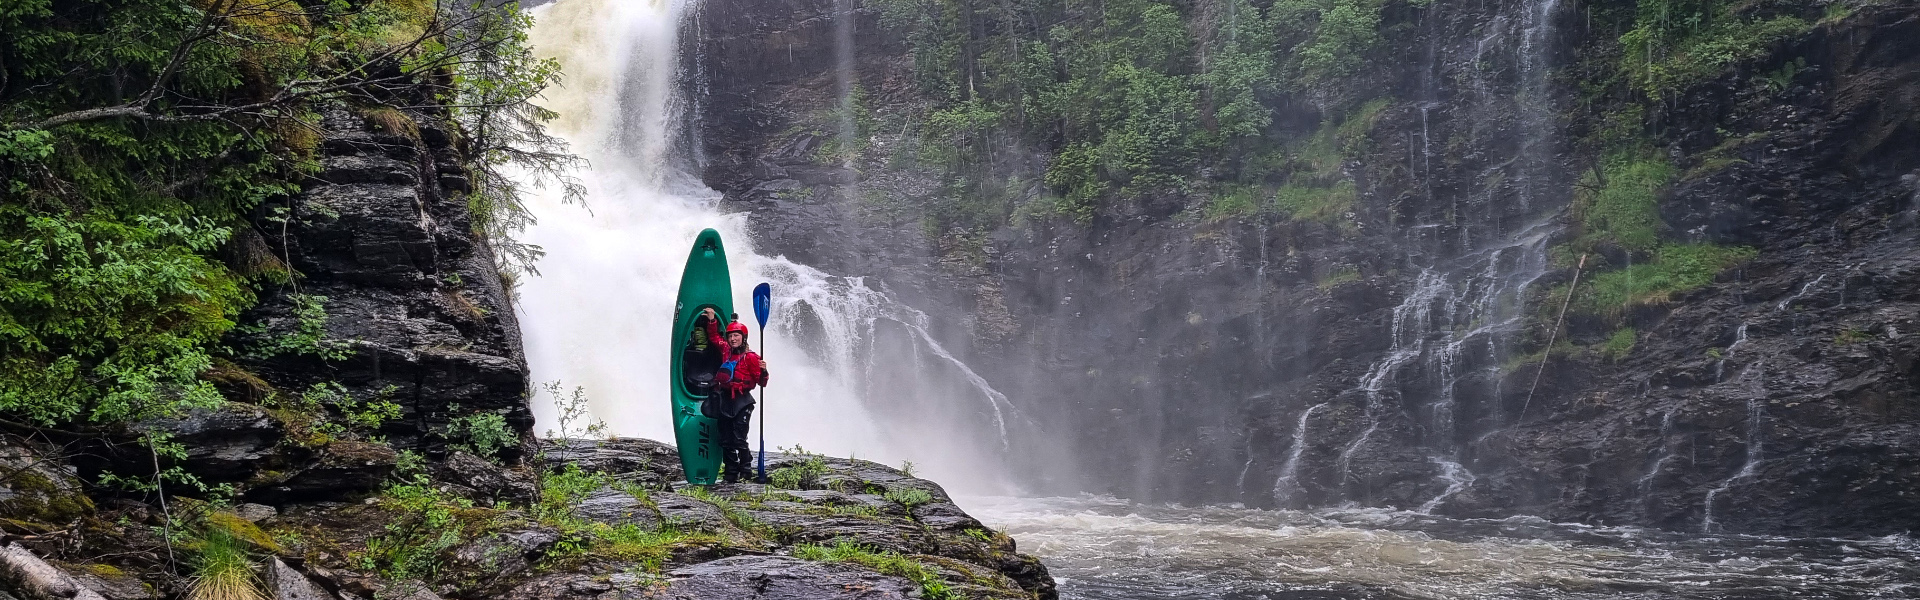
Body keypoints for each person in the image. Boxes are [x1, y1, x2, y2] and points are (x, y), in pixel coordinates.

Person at [700, 307, 769, 483]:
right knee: (725, 438)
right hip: (725, 398)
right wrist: (712, 320)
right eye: (730, 336)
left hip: (742, 401)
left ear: (743, 337)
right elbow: (715, 337)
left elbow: (762, 382)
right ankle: (730, 472)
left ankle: (745, 470)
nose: (732, 339)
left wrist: (764, 370)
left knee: (739, 437)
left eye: (736, 336)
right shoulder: (725, 350)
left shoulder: (752, 358)